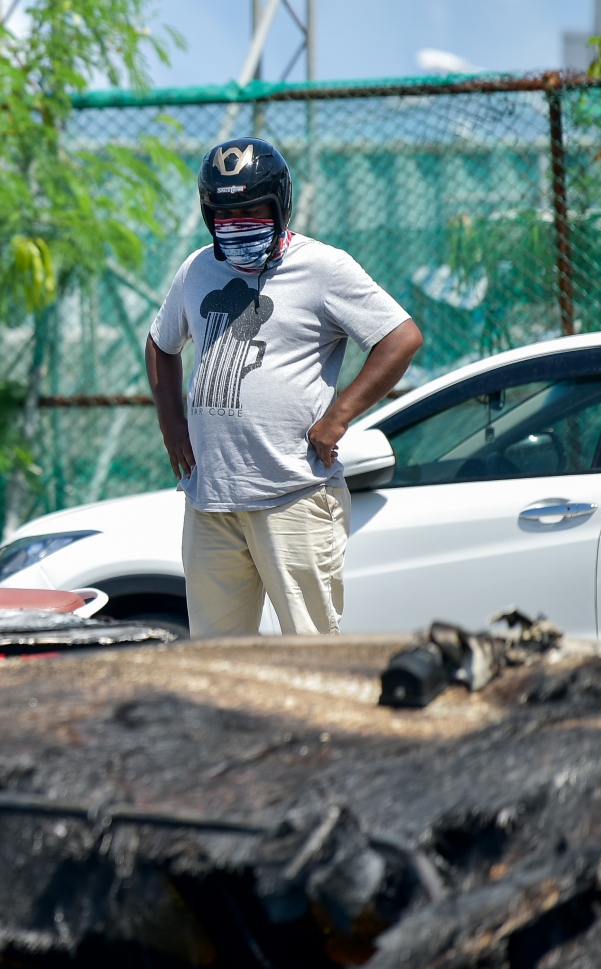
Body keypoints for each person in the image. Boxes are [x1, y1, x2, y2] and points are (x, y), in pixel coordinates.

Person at [146, 137, 422, 637]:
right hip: (210, 500)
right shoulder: (197, 268)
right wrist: (172, 425)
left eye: (252, 210)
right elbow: (161, 344)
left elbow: (400, 338)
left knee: (311, 650)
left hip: (294, 494)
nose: (238, 224)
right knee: (217, 666)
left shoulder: (323, 268)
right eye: (225, 214)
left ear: (280, 206)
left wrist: (338, 418)